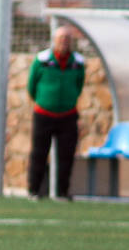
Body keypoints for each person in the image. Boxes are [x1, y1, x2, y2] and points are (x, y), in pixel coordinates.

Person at [25, 25, 85, 200]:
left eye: (67, 39)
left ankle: (62, 192)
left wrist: (69, 100)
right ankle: (35, 190)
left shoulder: (77, 62)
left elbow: (79, 85)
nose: (64, 42)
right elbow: (31, 86)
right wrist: (44, 101)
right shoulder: (42, 59)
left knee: (66, 155)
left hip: (68, 115)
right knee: (39, 153)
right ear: (54, 41)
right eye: (61, 39)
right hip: (44, 114)